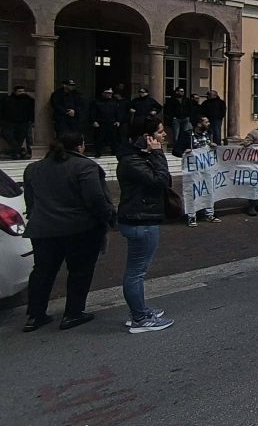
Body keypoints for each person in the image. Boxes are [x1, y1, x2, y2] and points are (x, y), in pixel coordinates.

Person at [22, 131, 114, 332]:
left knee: (42, 272)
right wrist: (107, 217)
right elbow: (95, 199)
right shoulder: (85, 166)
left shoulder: (33, 168)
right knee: (80, 271)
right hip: (79, 228)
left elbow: (30, 200)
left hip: (43, 228)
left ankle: (35, 315)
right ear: (80, 146)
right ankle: (73, 313)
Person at [116, 118, 174, 333]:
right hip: (140, 220)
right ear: (147, 137)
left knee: (137, 271)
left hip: (142, 218)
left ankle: (140, 310)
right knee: (136, 272)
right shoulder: (133, 161)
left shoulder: (136, 157)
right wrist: (158, 155)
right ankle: (140, 318)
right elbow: (160, 181)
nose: (164, 135)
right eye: (160, 132)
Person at [173, 116, 220, 227]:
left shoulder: (210, 134)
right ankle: (191, 216)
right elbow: (176, 150)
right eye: (206, 122)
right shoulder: (186, 135)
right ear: (199, 124)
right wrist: (184, 152)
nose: (208, 124)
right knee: (192, 191)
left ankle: (209, 214)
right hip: (193, 170)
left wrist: (214, 147)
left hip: (207, 167)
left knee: (209, 190)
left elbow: (215, 149)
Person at [2, 85, 34, 158]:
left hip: (23, 122)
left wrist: (30, 120)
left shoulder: (28, 100)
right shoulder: (7, 100)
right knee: (8, 135)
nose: (22, 93)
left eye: (23, 91)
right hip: (9, 122)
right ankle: (19, 150)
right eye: (19, 91)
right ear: (15, 92)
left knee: (20, 137)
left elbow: (32, 109)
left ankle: (16, 153)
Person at [89, 87, 121, 157]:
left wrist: (118, 120)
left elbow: (117, 112)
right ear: (103, 93)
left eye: (111, 93)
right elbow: (92, 112)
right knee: (99, 139)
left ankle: (114, 152)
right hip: (101, 123)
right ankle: (98, 153)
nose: (110, 95)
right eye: (108, 93)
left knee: (113, 139)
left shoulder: (114, 102)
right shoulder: (96, 102)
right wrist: (93, 121)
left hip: (112, 123)